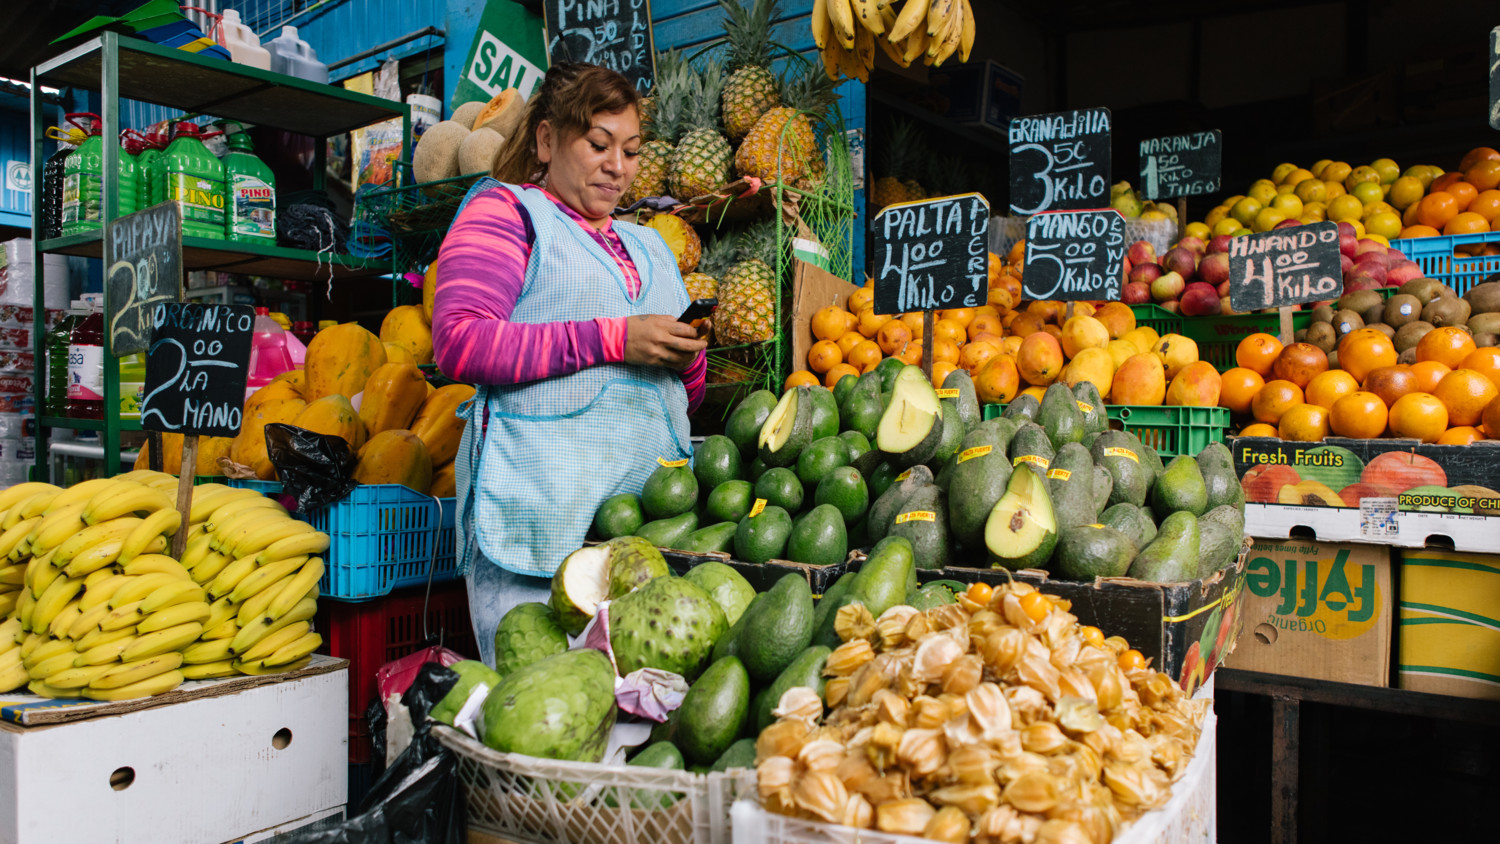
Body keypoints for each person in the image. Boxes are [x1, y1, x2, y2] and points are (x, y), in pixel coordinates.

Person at [432, 63, 709, 666]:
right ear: (546, 140)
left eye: (631, 151)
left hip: (643, 538)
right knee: (546, 720)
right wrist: (614, 339)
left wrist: (687, 355)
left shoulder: (651, 245)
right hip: (539, 528)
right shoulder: (506, 213)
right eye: (598, 145)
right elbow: (459, 341)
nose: (618, 167)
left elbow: (683, 397)